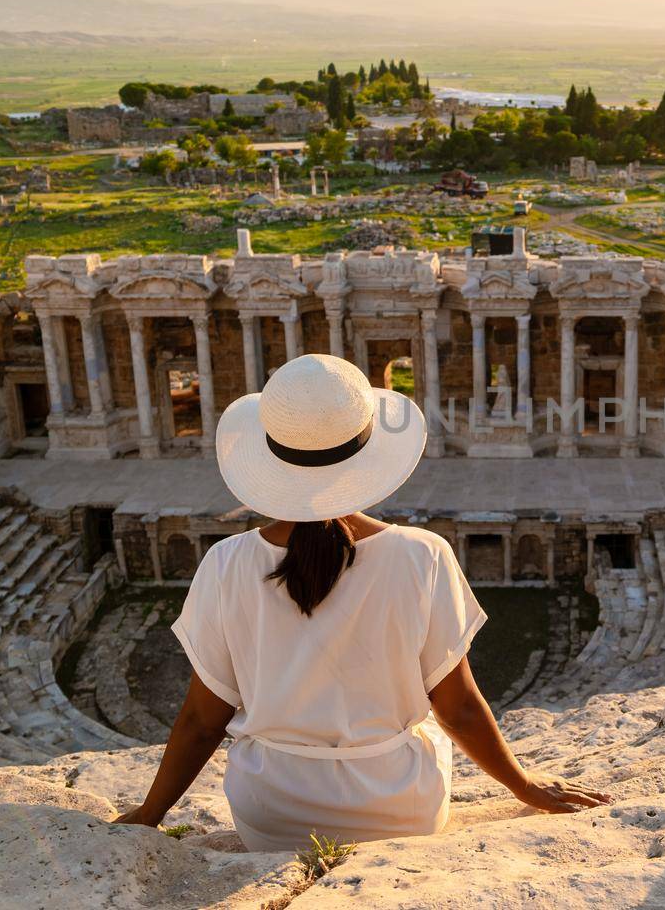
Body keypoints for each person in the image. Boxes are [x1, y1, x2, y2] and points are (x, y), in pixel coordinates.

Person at [115, 354, 609, 850]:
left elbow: (203, 721)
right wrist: (525, 788)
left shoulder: (225, 563)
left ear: (271, 453)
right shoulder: (422, 554)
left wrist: (149, 815)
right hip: (398, 807)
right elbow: (456, 709)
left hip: (272, 814)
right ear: (364, 451)